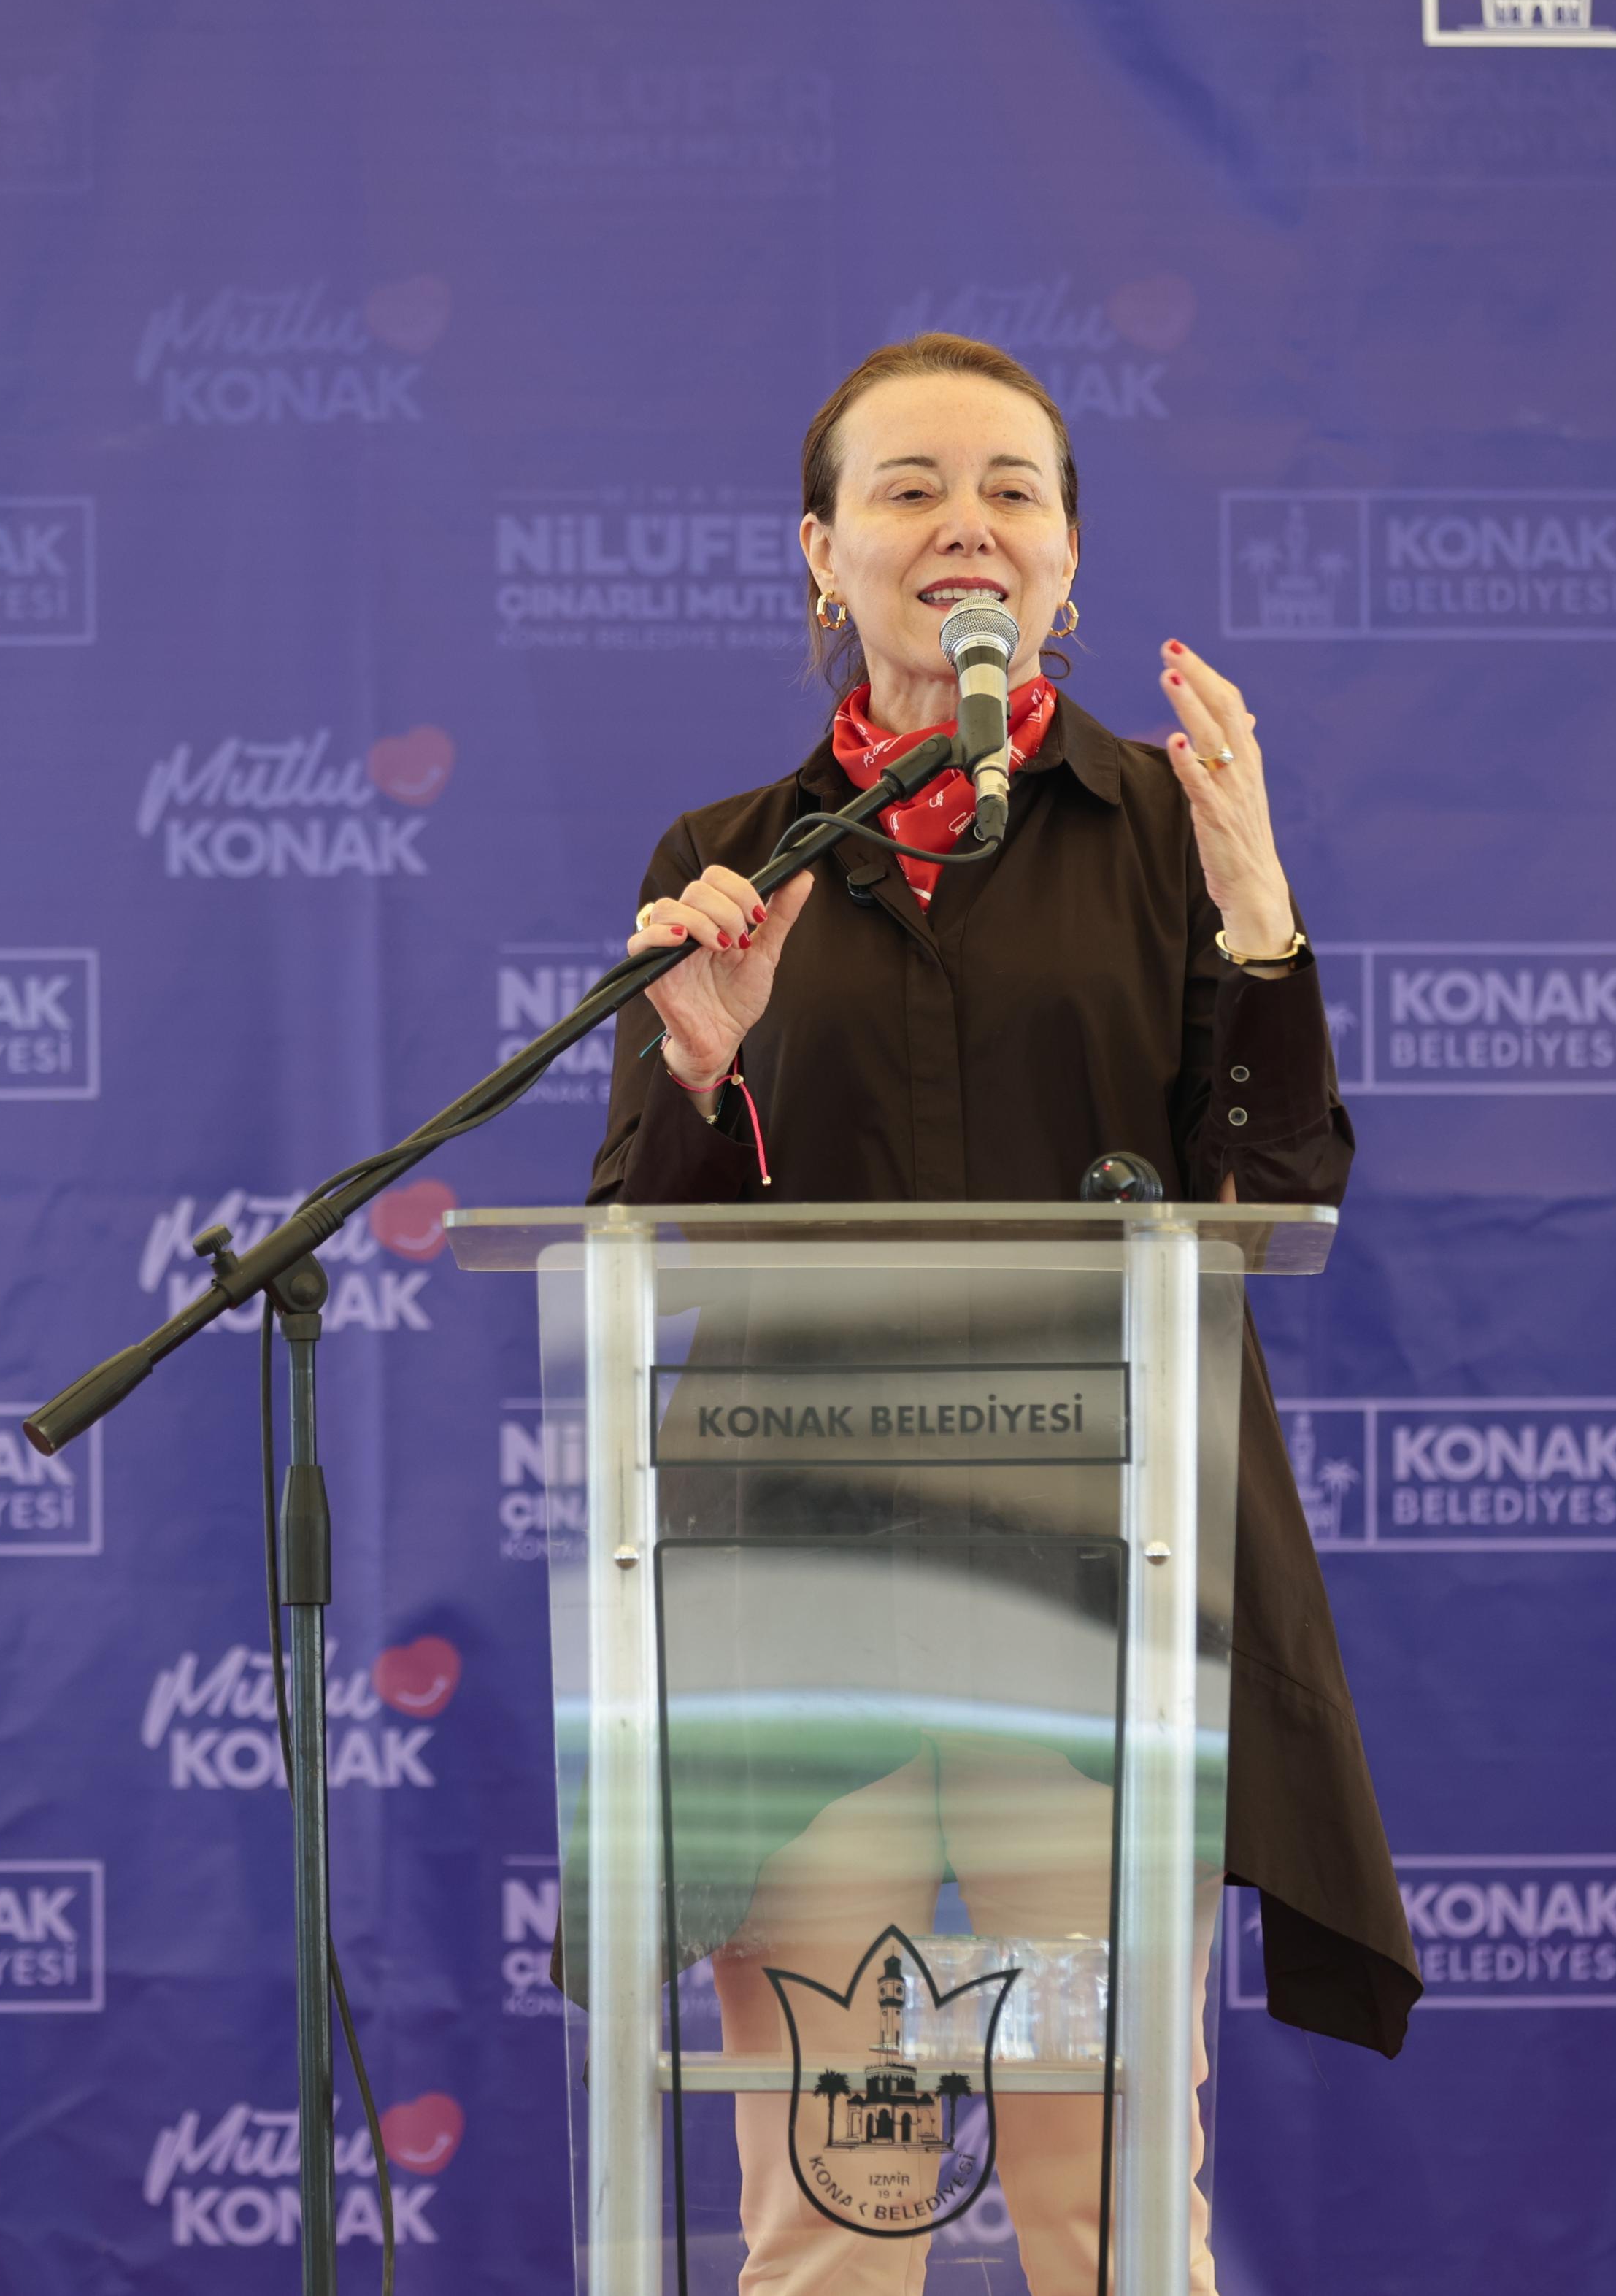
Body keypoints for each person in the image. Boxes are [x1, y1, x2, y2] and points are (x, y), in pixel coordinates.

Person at [589, 333, 1420, 2292]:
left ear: (1066, 556)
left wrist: (1262, 922)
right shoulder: (727, 864)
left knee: (1105, 2211)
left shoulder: (1168, 834)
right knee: (836, 2215)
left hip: (1095, 1624)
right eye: (909, 489)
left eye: (1012, 490)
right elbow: (642, 1233)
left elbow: (1269, 1206)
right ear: (823, 552)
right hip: (805, 1622)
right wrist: (701, 1061)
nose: (965, 524)